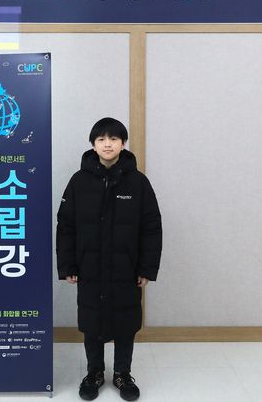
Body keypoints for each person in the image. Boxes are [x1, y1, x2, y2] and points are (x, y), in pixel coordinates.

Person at [56, 117, 162, 401]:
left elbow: (152, 227)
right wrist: (68, 265)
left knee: (126, 322)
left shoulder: (138, 182)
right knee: (91, 322)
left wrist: (146, 268)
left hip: (126, 269)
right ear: (93, 144)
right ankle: (94, 372)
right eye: (101, 139)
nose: (107, 144)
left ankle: (122, 374)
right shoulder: (78, 182)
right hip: (89, 267)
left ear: (122, 144)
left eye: (113, 139)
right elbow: (65, 226)